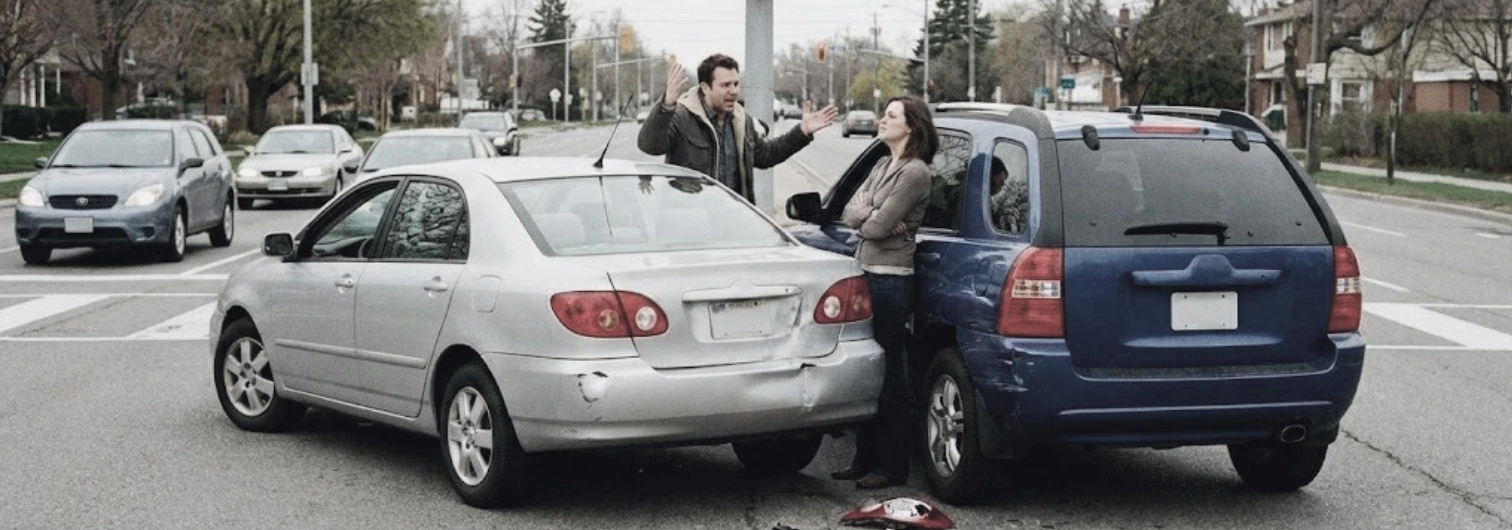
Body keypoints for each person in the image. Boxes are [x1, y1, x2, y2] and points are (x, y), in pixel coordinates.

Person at [831, 95, 938, 490]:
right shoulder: (880, 164)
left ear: (910, 126)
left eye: (891, 116)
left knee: (890, 371)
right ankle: (864, 458)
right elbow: (851, 213)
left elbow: (876, 227)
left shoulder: (915, 174)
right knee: (866, 370)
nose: (882, 120)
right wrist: (871, 215)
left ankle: (891, 466)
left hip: (891, 279)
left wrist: (872, 216)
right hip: (865, 272)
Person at [637, 53, 839, 202]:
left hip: (734, 222)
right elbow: (649, 145)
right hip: (689, 224)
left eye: (736, 84)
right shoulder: (682, 115)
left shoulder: (742, 120)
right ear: (705, 88)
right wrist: (667, 105)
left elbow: (766, 155)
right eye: (726, 85)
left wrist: (802, 131)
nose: (733, 91)